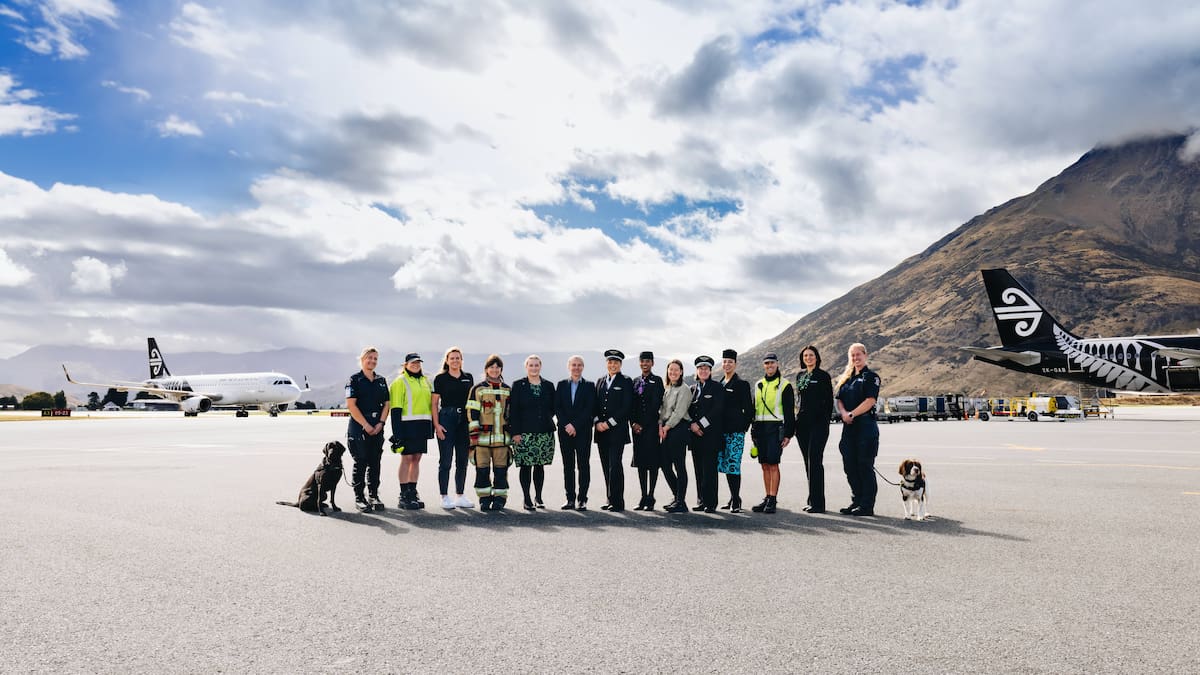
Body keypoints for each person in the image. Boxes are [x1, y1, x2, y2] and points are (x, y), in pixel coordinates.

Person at [834, 342, 881, 516]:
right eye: (852, 355)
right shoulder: (847, 378)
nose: (855, 358)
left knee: (864, 466)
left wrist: (852, 414)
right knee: (850, 467)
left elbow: (870, 401)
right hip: (849, 429)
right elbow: (839, 399)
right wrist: (844, 413)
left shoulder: (871, 377)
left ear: (865, 355)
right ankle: (856, 501)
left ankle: (867, 505)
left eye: (858, 354)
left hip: (865, 428)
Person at [345, 347, 390, 512]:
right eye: (369, 358)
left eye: (375, 358)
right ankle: (360, 497)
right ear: (362, 359)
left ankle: (373, 495)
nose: (372, 361)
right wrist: (366, 425)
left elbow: (387, 404)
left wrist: (381, 423)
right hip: (359, 428)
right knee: (361, 462)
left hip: (377, 427)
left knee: (375, 463)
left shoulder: (381, 380)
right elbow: (351, 405)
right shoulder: (354, 380)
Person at [509, 355, 557, 511]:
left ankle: (538, 497)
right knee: (525, 466)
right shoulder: (518, 385)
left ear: (540, 366)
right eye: (531, 365)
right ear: (526, 367)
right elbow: (513, 411)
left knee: (539, 466)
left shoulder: (549, 385)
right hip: (524, 433)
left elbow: (553, 408)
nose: (534, 368)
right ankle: (527, 498)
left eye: (536, 365)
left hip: (544, 433)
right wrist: (515, 432)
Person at [750, 352, 795, 514]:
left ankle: (773, 499)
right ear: (764, 365)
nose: (769, 366)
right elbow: (754, 409)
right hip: (760, 429)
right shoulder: (758, 384)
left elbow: (789, 412)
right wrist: (753, 431)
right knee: (764, 465)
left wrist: (788, 434)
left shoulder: (784, 385)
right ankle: (767, 497)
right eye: (767, 363)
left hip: (776, 429)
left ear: (777, 364)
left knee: (773, 464)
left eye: (772, 363)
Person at [467, 354, 513, 512]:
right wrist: (473, 436)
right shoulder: (477, 389)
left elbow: (512, 414)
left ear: (501, 369)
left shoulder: (507, 390)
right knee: (482, 470)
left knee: (501, 470)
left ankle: (500, 498)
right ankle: (484, 498)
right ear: (486, 369)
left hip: (502, 440)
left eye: (497, 367)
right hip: (482, 439)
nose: (494, 370)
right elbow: (472, 412)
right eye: (491, 367)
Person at [431, 347, 475, 509]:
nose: (455, 361)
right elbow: (434, 403)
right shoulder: (440, 378)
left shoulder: (468, 378)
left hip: (464, 421)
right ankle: (444, 496)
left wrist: (472, 424)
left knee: (462, 460)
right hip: (446, 419)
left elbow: (473, 401)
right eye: (452, 358)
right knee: (446, 461)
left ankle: (460, 495)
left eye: (458, 358)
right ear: (447, 360)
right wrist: (437, 425)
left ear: (461, 360)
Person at [389, 353, 434, 510]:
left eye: (418, 362)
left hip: (422, 426)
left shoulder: (425, 380)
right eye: (412, 362)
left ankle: (412, 492)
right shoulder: (399, 382)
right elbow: (395, 410)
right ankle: (403, 495)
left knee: (416, 459)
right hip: (406, 426)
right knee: (406, 459)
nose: (415, 364)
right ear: (405, 365)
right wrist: (397, 434)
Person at [794, 345, 833, 513]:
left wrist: (823, 422)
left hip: (818, 425)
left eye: (811, 355)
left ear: (816, 357)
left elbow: (829, 402)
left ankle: (818, 504)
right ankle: (811, 499)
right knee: (807, 463)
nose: (808, 358)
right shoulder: (800, 376)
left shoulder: (823, 376)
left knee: (815, 461)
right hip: (802, 425)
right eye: (805, 356)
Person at [594, 349, 633, 511]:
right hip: (601, 431)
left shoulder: (626, 381)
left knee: (615, 465)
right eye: (610, 362)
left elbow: (626, 407)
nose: (613, 365)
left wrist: (608, 423)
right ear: (606, 364)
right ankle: (609, 498)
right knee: (605, 465)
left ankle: (618, 501)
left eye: (616, 362)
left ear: (620, 364)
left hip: (616, 431)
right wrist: (597, 421)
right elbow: (595, 404)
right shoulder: (600, 381)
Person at [555, 355, 596, 510]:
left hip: (583, 431)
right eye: (573, 365)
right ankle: (570, 498)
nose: (576, 367)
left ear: (583, 367)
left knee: (583, 465)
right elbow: (557, 407)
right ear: (569, 367)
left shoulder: (589, 386)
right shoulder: (561, 385)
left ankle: (582, 499)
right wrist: (567, 425)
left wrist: (575, 425)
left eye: (579, 365)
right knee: (568, 466)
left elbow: (589, 409)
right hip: (564, 432)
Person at [716, 348, 753, 512]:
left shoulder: (741, 384)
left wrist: (743, 428)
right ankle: (732, 497)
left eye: (730, 362)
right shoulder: (719, 384)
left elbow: (749, 410)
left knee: (733, 465)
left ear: (735, 364)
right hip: (720, 432)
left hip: (735, 432)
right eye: (724, 361)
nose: (727, 364)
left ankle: (737, 500)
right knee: (725, 465)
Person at [688, 355, 724, 513]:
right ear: (697, 370)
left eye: (706, 368)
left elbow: (718, 410)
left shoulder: (716, 388)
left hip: (710, 436)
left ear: (710, 371)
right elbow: (688, 411)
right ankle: (701, 500)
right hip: (695, 437)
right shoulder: (692, 389)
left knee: (710, 470)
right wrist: (692, 425)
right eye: (700, 368)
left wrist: (700, 424)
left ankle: (711, 502)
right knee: (698, 470)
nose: (703, 371)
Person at [630, 351, 665, 510]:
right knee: (641, 463)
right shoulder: (635, 381)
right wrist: (633, 423)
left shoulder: (657, 381)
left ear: (652, 363)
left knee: (652, 463)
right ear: (639, 363)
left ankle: (651, 496)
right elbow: (631, 405)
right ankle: (643, 496)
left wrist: (644, 424)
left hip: (651, 428)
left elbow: (656, 404)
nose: (645, 364)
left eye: (648, 361)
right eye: (642, 361)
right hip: (637, 429)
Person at [658, 359, 691, 513]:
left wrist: (666, 426)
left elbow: (678, 412)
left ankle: (681, 501)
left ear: (681, 371)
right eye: (670, 370)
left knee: (679, 466)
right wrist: (660, 425)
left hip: (679, 429)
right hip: (666, 429)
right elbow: (662, 410)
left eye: (676, 370)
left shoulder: (684, 389)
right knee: (664, 464)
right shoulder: (668, 387)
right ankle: (677, 496)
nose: (673, 372)